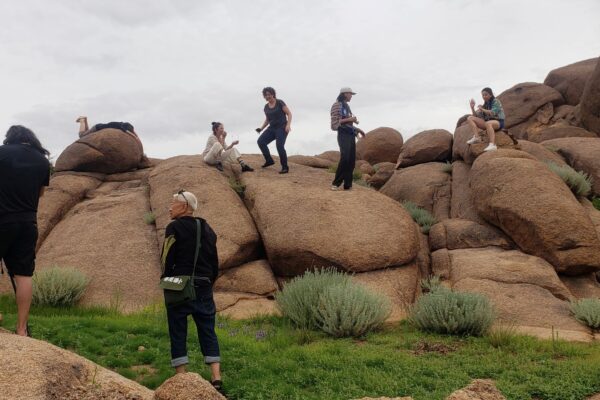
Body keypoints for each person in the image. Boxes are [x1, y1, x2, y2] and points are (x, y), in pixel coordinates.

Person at [160, 190, 222, 391]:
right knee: (207, 329)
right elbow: (214, 261)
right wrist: (209, 280)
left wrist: (166, 279)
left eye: (173, 203)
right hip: (204, 284)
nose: (169, 207)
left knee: (178, 328)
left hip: (179, 284)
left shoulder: (174, 227)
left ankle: (182, 378)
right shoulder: (208, 229)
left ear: (185, 207)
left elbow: (167, 257)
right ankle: (216, 377)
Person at [0, 125, 50, 336]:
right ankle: (22, 329)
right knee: (24, 275)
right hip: (28, 223)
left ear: (9, 138)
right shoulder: (42, 160)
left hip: (2, 219)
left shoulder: (2, 153)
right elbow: (40, 194)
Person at [330, 87, 365, 191]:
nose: (351, 96)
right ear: (344, 94)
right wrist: (350, 119)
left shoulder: (347, 106)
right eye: (350, 94)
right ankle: (336, 183)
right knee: (345, 158)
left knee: (351, 160)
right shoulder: (337, 105)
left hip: (350, 135)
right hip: (343, 135)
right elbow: (334, 123)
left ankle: (347, 184)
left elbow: (348, 124)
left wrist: (357, 129)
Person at [255, 87, 292, 174]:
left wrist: (288, 125)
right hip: (272, 128)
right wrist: (261, 128)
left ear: (273, 94)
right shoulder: (266, 107)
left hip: (282, 128)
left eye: (269, 94)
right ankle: (269, 160)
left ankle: (285, 167)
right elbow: (268, 119)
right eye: (265, 95)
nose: (267, 96)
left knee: (279, 146)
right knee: (260, 141)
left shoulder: (280, 102)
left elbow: (289, 114)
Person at [466, 87, 506, 152]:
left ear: (490, 94)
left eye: (486, 94)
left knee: (488, 123)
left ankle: (492, 144)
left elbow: (493, 113)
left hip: (498, 122)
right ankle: (476, 137)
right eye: (483, 95)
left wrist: (482, 109)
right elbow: (476, 116)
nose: (484, 96)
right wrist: (472, 108)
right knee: (470, 118)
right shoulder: (485, 105)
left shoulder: (496, 101)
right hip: (488, 123)